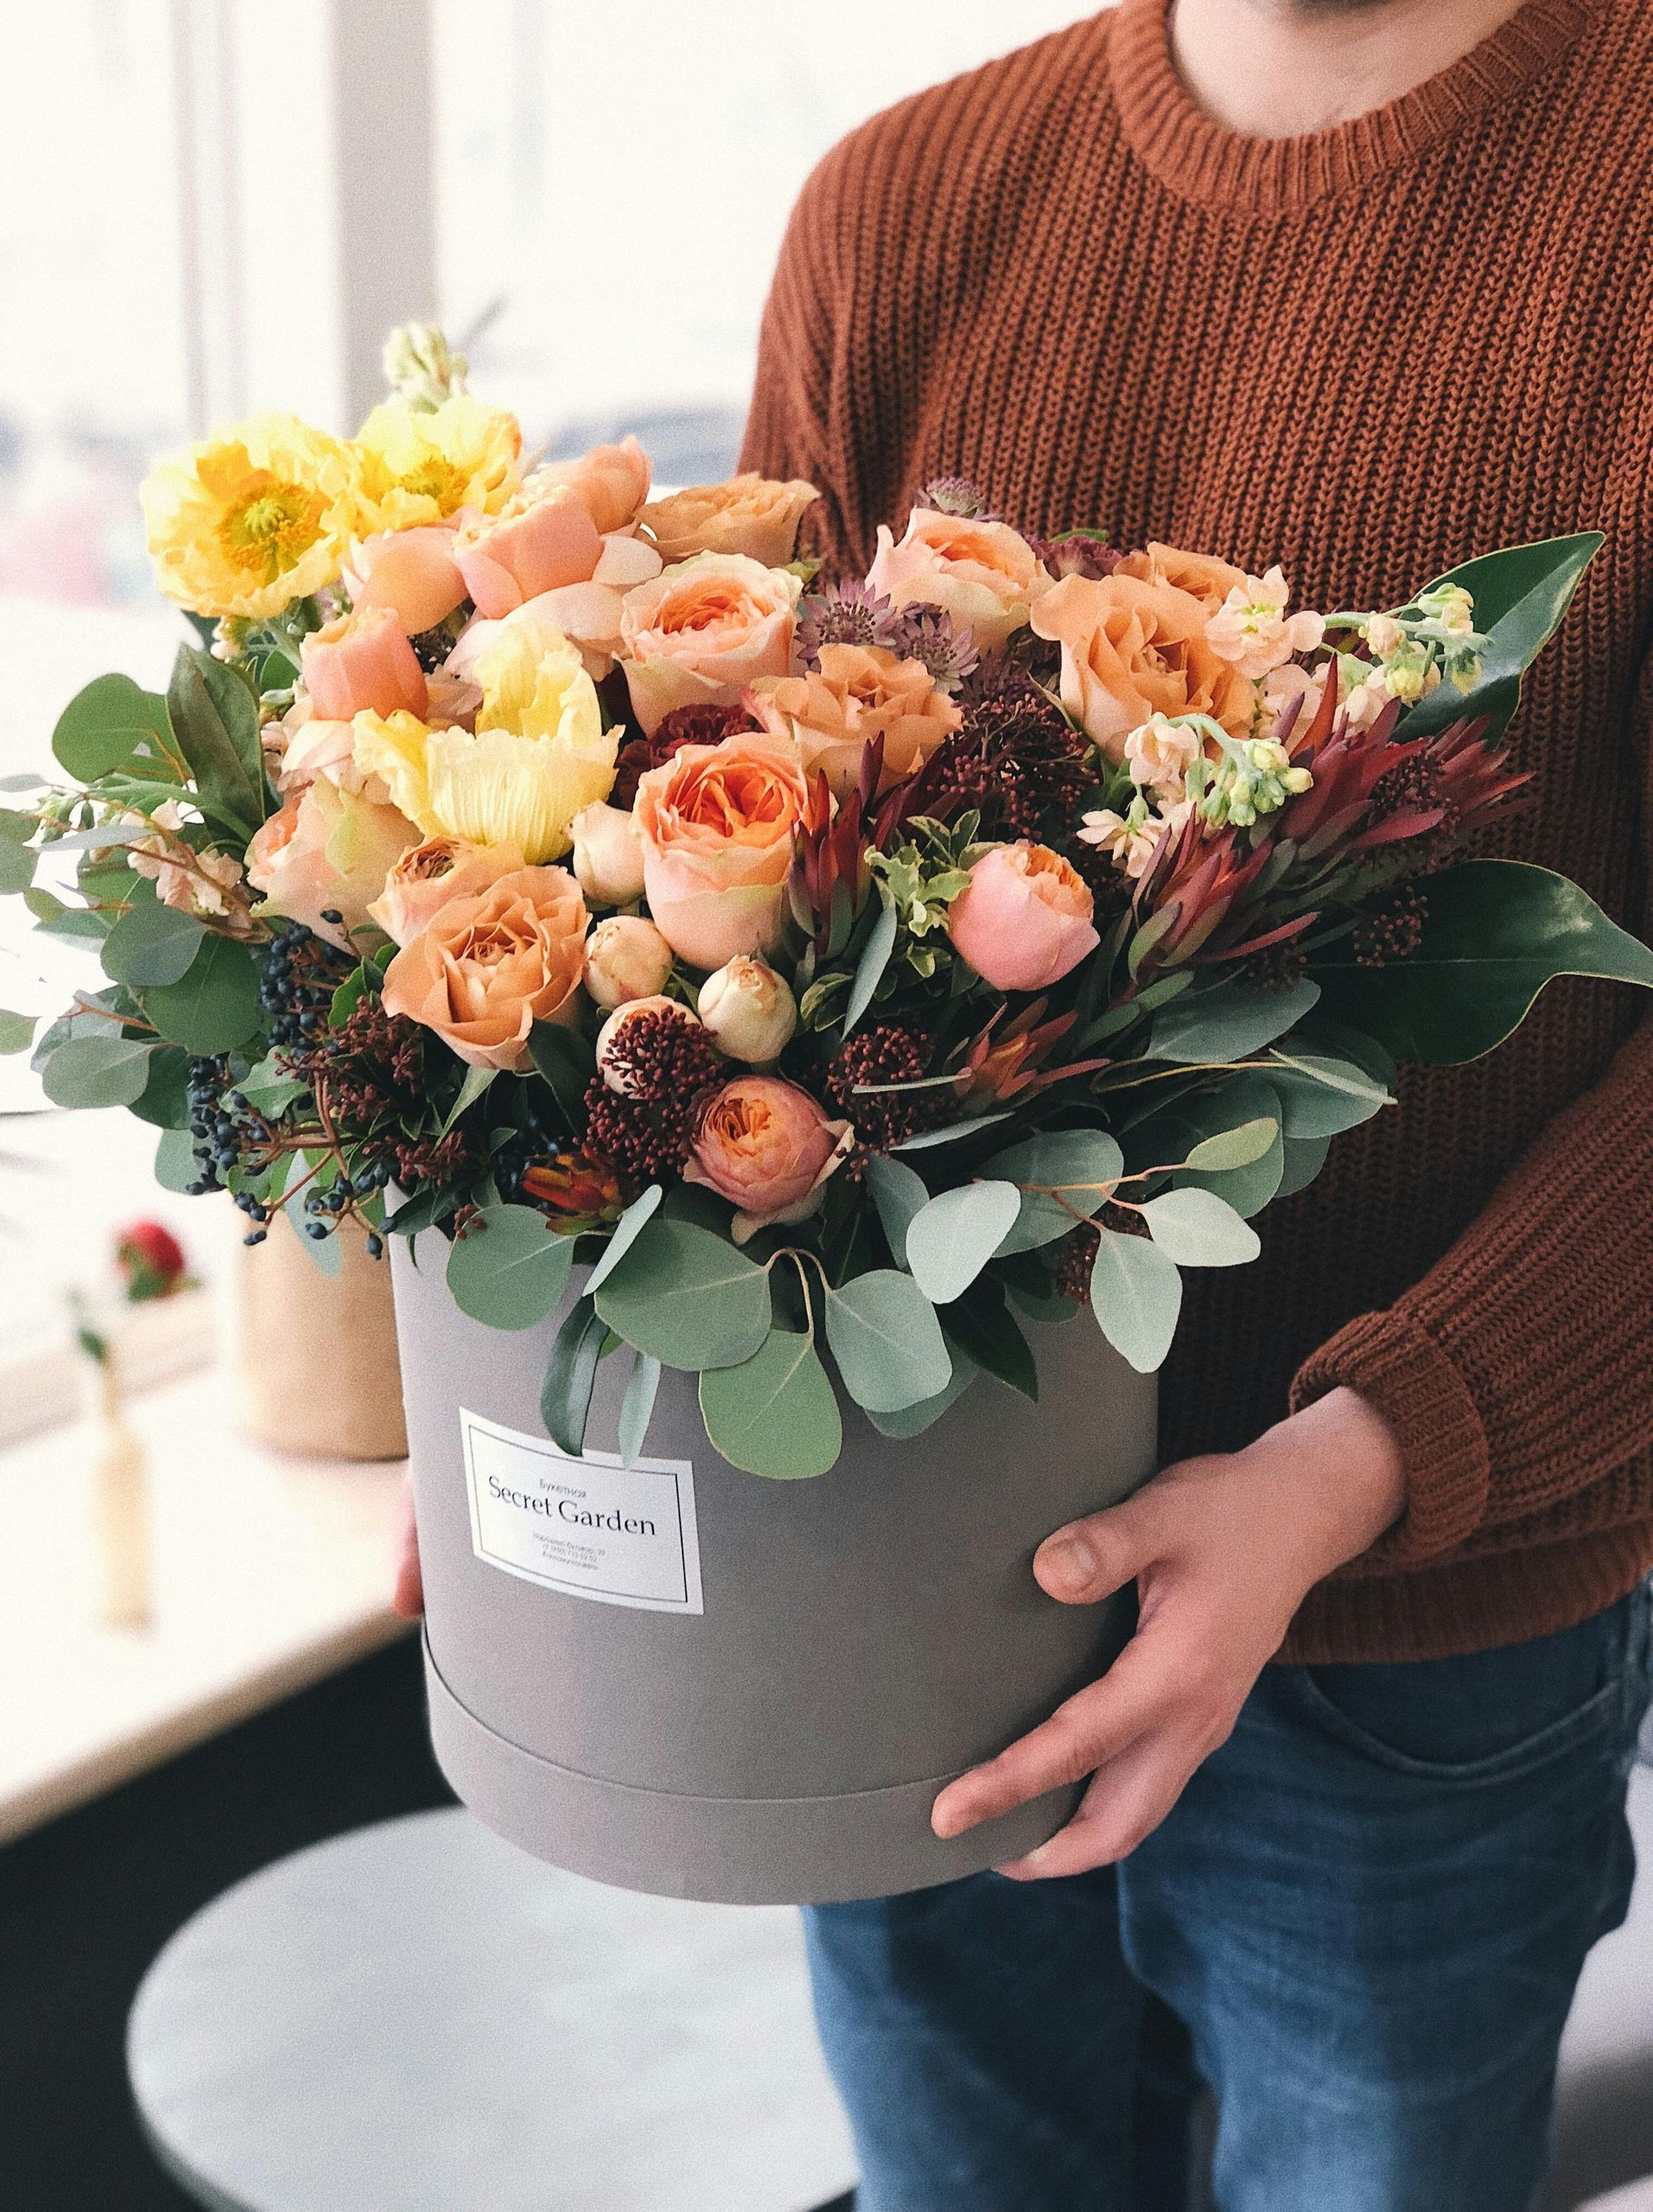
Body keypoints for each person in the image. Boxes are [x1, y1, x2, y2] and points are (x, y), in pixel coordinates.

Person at [395, 2, 1653, 2202]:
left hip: (1407, 1649)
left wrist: (1354, 1464)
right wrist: (533, 1371)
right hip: (895, 1586)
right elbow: (718, 934)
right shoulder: (902, 209)